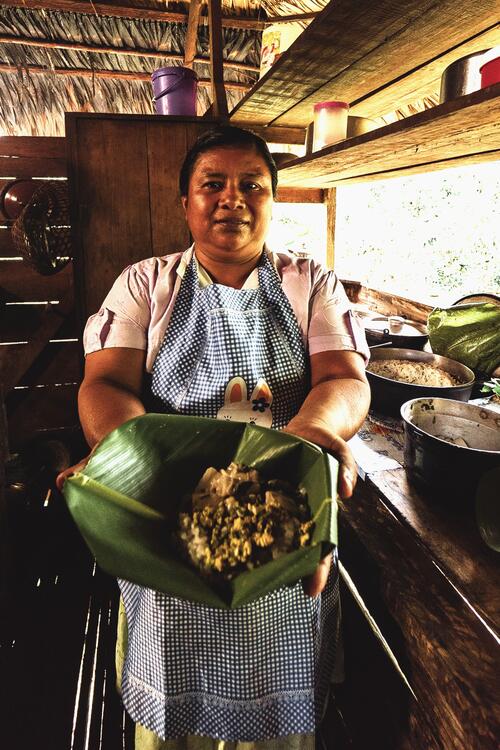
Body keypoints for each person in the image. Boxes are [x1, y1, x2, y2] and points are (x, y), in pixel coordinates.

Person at [57, 126, 370, 749]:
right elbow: (105, 383)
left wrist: (309, 433)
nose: (233, 198)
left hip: (284, 525)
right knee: (174, 722)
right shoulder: (146, 284)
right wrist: (131, 455)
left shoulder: (312, 284)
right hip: (168, 521)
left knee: (278, 727)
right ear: (186, 203)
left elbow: (344, 378)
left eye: (252, 184)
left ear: (273, 200)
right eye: (213, 184)